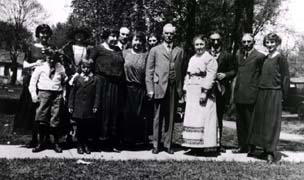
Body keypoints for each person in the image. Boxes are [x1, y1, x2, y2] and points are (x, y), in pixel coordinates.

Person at [248, 33, 290, 163]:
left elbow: (285, 77)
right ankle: (262, 148)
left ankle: (270, 152)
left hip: (274, 93)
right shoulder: (264, 58)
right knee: (261, 122)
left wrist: (284, 95)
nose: (270, 45)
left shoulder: (281, 58)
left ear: (277, 43)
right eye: (267, 42)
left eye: (272, 42)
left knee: (272, 123)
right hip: (262, 92)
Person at [145, 23, 185, 154]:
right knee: (157, 117)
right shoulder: (155, 50)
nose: (169, 36)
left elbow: (182, 71)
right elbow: (149, 71)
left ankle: (168, 144)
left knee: (171, 117)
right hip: (159, 87)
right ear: (163, 34)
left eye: (171, 33)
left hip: (173, 88)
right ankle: (156, 145)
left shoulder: (179, 51)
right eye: (166, 33)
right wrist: (150, 89)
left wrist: (181, 90)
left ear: (174, 35)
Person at [13, 24, 53, 147]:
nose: (44, 35)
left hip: (47, 83)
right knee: (32, 109)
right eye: (42, 33)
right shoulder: (31, 48)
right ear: (38, 34)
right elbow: (24, 65)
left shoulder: (52, 48)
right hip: (33, 82)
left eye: (47, 33)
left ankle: (45, 139)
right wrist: (35, 63)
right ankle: (34, 138)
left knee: (47, 110)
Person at [89, 28, 125, 152]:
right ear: (105, 37)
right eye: (112, 36)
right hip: (101, 83)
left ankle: (111, 142)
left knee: (113, 112)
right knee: (100, 111)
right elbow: (89, 64)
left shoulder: (118, 50)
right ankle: (96, 142)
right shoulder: (98, 49)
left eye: (116, 36)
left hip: (115, 85)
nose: (114, 39)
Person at [182, 35, 218, 154]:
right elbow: (188, 74)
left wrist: (205, 92)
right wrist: (185, 88)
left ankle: (203, 146)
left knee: (202, 118)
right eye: (197, 45)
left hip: (202, 90)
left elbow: (211, 76)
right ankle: (193, 145)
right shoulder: (192, 58)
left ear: (206, 45)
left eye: (201, 44)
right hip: (192, 90)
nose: (199, 47)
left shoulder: (209, 58)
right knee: (193, 118)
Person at [28, 46, 67, 153]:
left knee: (55, 119)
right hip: (43, 94)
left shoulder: (60, 67)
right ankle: (41, 143)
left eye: (54, 58)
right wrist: (33, 95)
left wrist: (63, 94)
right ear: (46, 57)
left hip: (56, 95)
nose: (52, 60)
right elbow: (32, 82)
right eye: (49, 58)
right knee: (41, 119)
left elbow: (64, 82)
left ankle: (56, 143)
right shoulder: (40, 67)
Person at [233, 33, 265, 154]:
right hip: (239, 93)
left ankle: (252, 147)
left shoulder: (260, 56)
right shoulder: (238, 55)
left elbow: (262, 75)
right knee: (240, 122)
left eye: (249, 42)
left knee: (250, 122)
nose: (246, 44)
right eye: (244, 42)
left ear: (253, 42)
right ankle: (242, 146)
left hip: (252, 94)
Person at [61, 27, 92, 145]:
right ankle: (68, 134)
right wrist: (71, 75)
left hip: (82, 79)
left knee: (81, 106)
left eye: (81, 34)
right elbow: (64, 63)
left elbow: (88, 64)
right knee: (68, 106)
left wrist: (80, 74)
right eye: (77, 34)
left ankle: (80, 136)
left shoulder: (88, 49)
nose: (79, 36)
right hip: (69, 79)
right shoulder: (67, 48)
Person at [209, 32, 236, 152]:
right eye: (213, 40)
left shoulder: (227, 55)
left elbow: (234, 71)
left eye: (218, 40)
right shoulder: (205, 54)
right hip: (207, 90)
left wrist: (225, 75)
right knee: (206, 116)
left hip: (221, 90)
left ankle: (219, 143)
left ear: (221, 41)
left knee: (218, 116)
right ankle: (206, 142)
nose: (215, 43)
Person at [121, 31, 149, 148]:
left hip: (141, 88)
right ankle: (126, 141)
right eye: (135, 40)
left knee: (140, 115)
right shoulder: (125, 53)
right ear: (131, 41)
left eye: (140, 40)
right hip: (127, 88)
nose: (137, 43)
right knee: (127, 115)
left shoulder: (146, 55)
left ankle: (139, 141)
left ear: (143, 42)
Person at [68, 60, 101, 154]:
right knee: (79, 127)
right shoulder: (77, 78)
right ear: (81, 68)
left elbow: (97, 94)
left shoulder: (95, 79)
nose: (86, 69)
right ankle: (79, 145)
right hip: (78, 107)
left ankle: (86, 144)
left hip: (89, 107)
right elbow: (72, 93)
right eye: (84, 67)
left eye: (88, 67)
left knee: (87, 126)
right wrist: (70, 105)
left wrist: (95, 105)